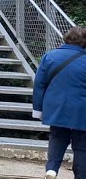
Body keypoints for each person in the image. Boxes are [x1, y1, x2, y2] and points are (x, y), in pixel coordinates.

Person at [33, 26, 86, 179]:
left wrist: (38, 109)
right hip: (82, 110)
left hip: (56, 107)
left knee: (57, 137)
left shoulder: (49, 56)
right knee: (82, 146)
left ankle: (51, 170)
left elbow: (39, 84)